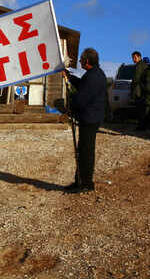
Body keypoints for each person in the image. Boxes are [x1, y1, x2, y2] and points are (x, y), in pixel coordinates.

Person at [62, 48, 107, 193]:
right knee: (83, 150)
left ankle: (86, 183)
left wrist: (71, 108)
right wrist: (70, 77)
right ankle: (79, 181)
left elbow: (82, 98)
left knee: (86, 151)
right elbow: (83, 85)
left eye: (81, 59)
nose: (80, 61)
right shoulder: (93, 74)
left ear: (87, 61)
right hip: (90, 118)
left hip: (90, 119)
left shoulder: (94, 76)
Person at [130, 51, 148, 130]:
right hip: (141, 90)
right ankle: (142, 125)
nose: (134, 59)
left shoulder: (141, 66)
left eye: (135, 57)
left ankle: (142, 126)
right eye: (133, 58)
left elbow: (137, 77)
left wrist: (132, 86)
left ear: (139, 57)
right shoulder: (139, 65)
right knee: (140, 108)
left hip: (140, 90)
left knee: (140, 109)